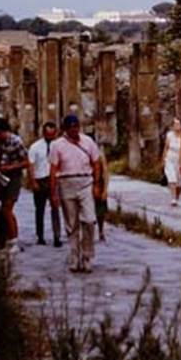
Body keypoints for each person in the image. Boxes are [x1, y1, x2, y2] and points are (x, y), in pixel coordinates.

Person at [49, 114, 101, 273]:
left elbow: (96, 163)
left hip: (85, 181)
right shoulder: (57, 145)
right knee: (72, 224)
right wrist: (54, 193)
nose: (74, 130)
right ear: (65, 129)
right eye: (71, 127)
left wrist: (97, 184)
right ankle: (74, 257)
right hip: (66, 182)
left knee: (90, 220)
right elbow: (53, 169)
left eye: (76, 126)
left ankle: (87, 256)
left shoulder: (88, 141)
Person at [0, 117, 29, 254]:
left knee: (8, 208)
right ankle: (7, 238)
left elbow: (26, 162)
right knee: (3, 209)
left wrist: (11, 167)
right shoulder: (1, 142)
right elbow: (0, 159)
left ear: (1, 131)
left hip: (14, 177)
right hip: (3, 177)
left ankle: (14, 241)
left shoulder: (16, 142)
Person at [28, 122, 63, 247]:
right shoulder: (35, 147)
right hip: (40, 179)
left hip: (54, 179)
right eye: (48, 134)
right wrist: (33, 181)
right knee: (40, 209)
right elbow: (31, 165)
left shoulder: (59, 146)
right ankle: (40, 236)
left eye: (52, 134)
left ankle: (57, 236)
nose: (50, 136)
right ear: (43, 133)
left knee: (55, 208)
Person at [162, 117, 181, 206]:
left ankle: (177, 197)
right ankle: (173, 198)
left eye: (178, 124)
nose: (176, 126)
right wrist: (163, 159)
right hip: (170, 158)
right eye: (174, 124)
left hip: (179, 158)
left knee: (179, 181)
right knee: (172, 178)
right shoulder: (169, 135)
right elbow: (166, 148)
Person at [95, 141, 110, 242]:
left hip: (98, 185)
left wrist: (105, 189)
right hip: (87, 185)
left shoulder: (99, 155)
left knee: (100, 211)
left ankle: (101, 231)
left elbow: (105, 173)